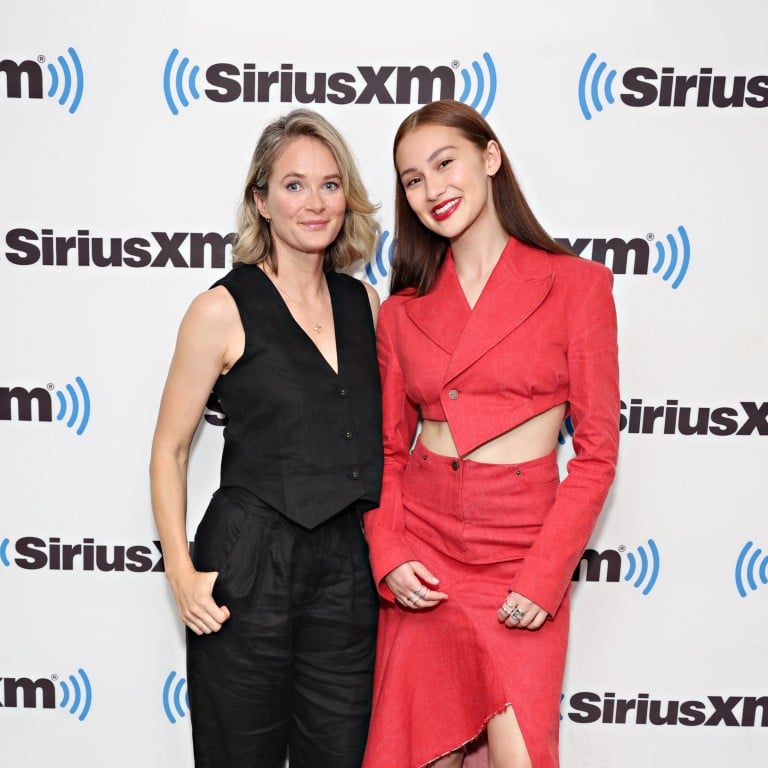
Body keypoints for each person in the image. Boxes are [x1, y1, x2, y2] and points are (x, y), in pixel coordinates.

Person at [361, 100, 619, 768]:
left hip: (521, 555)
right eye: (412, 179)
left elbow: (596, 455)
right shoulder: (400, 312)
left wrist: (544, 577)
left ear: (490, 157)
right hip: (426, 557)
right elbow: (387, 452)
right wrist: (387, 553)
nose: (431, 189)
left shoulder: (577, 286)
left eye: (444, 163)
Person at [149, 108, 383, 768]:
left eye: (331, 185)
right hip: (248, 570)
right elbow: (168, 450)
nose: (315, 202)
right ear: (261, 198)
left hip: (347, 574)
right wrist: (181, 572)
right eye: (294, 184)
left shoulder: (363, 305)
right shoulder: (220, 308)